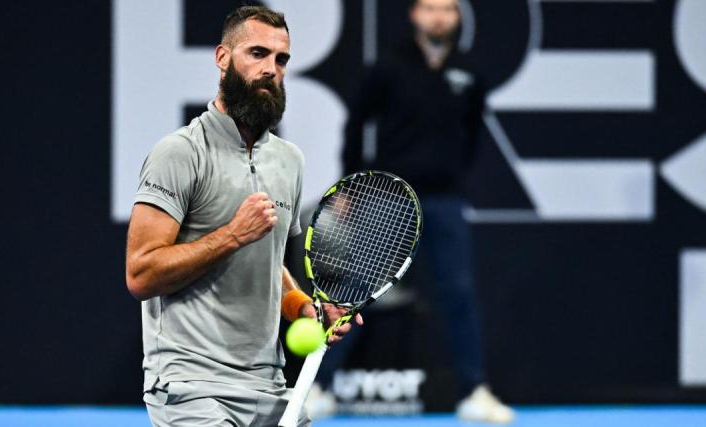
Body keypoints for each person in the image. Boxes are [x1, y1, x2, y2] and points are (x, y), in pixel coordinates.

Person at [124, 6, 361, 426]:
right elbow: (141, 275)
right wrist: (233, 235)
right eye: (257, 53)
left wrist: (306, 309)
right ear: (222, 59)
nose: (271, 68)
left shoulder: (289, 161)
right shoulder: (179, 153)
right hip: (191, 387)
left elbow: (272, 268)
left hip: (268, 386)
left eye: (281, 59)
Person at [311, 0, 515, 423]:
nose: (439, 17)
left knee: (458, 295)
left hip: (445, 200)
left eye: (448, 9)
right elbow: (356, 122)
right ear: (414, 15)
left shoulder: (470, 72)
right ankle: (319, 386)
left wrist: (454, 177)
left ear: (458, 18)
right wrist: (351, 182)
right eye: (430, 8)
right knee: (355, 292)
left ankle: (473, 392)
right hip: (391, 198)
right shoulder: (388, 67)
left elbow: (473, 133)